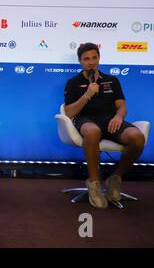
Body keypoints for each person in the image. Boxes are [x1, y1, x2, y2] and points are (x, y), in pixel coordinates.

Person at [64, 43, 145, 209]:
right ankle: (94, 183)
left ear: (99, 58)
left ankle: (115, 178)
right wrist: (87, 94)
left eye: (94, 57)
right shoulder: (73, 83)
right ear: (80, 61)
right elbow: (69, 112)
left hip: (111, 121)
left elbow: (122, 106)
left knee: (137, 138)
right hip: (86, 120)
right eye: (86, 59)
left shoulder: (112, 80)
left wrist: (118, 116)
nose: (91, 62)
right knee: (93, 131)